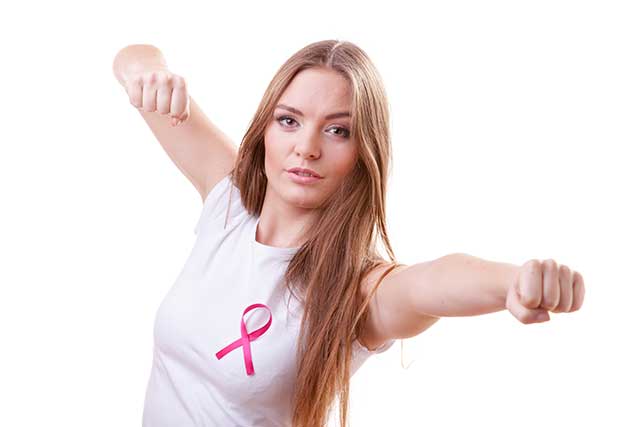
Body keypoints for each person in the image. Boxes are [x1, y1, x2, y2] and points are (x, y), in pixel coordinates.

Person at [112, 40, 585, 427]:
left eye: (338, 131)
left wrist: (512, 283)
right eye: (289, 120)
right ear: (265, 130)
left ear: (364, 154)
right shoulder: (229, 205)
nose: (306, 147)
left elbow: (431, 283)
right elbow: (133, 56)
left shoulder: (355, 290)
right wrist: (149, 75)